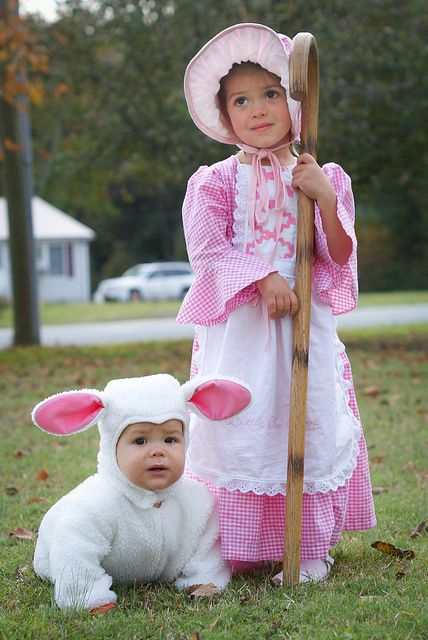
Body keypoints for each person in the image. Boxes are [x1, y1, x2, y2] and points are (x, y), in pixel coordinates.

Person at [177, 23, 376, 583]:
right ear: (224, 114)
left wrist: (325, 200)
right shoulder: (212, 182)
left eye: (270, 95)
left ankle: (306, 547)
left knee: (307, 418)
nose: (258, 110)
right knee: (240, 426)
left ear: (295, 104)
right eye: (241, 100)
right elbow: (209, 252)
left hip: (304, 325)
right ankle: (232, 544)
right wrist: (264, 277)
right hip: (244, 327)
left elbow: (339, 255)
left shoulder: (323, 174)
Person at [31, 373, 251, 610]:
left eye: (170, 439)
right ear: (111, 447)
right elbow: (73, 550)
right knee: (74, 545)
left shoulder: (198, 502)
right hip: (54, 557)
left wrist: (204, 581)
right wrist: (87, 597)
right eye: (140, 441)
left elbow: (207, 546)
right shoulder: (94, 505)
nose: (158, 451)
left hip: (151, 568)